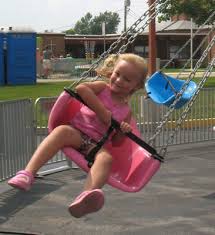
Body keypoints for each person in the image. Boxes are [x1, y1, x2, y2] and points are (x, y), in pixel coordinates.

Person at [8, 53, 148, 218]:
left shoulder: (126, 111)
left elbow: (116, 143)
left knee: (107, 159)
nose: (118, 80)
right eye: (117, 74)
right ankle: (27, 174)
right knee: (61, 131)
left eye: (127, 79)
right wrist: (101, 111)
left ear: (136, 86)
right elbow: (82, 89)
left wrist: (123, 132)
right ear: (112, 72)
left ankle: (86, 196)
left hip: (95, 145)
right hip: (77, 134)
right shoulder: (102, 88)